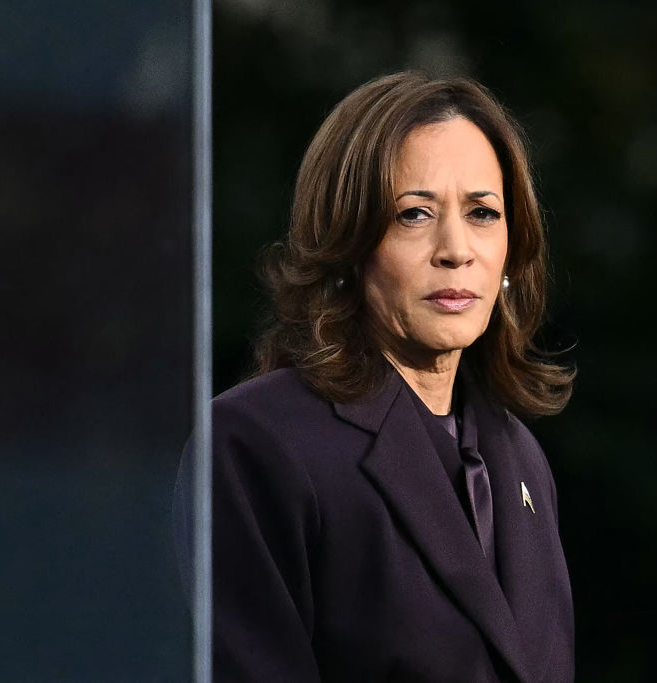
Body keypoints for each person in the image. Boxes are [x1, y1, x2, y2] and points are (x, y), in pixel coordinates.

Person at [179, 71, 576, 682]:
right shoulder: (255, 443)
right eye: (414, 214)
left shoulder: (517, 454)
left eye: (482, 212)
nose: (455, 249)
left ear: (511, 252)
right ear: (347, 241)